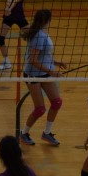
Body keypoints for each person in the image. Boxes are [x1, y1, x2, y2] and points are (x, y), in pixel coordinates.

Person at [20, 9, 67, 146]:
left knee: (56, 102)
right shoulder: (39, 36)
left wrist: (56, 62)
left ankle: (47, 133)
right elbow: (33, 60)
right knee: (40, 109)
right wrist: (52, 72)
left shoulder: (42, 33)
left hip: (44, 72)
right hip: (33, 75)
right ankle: (24, 133)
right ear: (48, 20)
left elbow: (44, 55)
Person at [0, 0, 28, 71]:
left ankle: (35, 59)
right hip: (8, 17)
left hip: (20, 17)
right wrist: (7, 8)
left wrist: (9, 9)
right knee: (0, 38)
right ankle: (6, 62)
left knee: (33, 37)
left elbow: (16, 0)